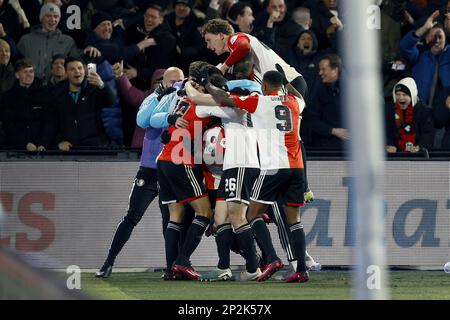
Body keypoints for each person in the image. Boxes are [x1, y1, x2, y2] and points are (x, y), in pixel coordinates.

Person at [205, 70, 309, 283]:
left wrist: (207, 84)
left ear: (264, 87)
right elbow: (299, 95)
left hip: (273, 167)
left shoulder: (260, 101)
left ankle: (271, 258)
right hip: (297, 167)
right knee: (294, 221)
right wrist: (288, 83)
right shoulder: (296, 102)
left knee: (251, 214)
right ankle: (301, 270)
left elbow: (225, 98)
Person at [201, 18, 314, 203]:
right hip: (284, 84)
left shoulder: (236, 38)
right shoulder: (240, 56)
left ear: (222, 35)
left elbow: (244, 46)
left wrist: (222, 67)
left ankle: (303, 187)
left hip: (290, 83)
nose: (208, 46)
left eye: (209, 40)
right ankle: (286, 180)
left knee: (293, 135)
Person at [95, 67, 186, 279]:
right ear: (163, 82)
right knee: (132, 216)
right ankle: (108, 262)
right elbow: (143, 120)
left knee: (170, 221)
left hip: (171, 169)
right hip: (150, 169)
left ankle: (172, 267)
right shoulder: (152, 99)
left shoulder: (185, 98)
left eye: (181, 81)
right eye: (174, 82)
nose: (178, 85)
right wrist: (165, 105)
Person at [16, 2, 101, 85]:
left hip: (58, 87)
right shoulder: (25, 40)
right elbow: (17, 64)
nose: (52, 20)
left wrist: (89, 50)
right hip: (31, 87)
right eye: (48, 16)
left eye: (56, 16)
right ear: (41, 18)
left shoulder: (68, 41)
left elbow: (77, 61)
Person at [400, 10, 450, 148]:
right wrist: (423, 29)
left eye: (440, 36)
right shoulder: (420, 55)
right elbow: (404, 47)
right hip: (421, 115)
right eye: (433, 37)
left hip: (444, 115)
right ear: (427, 39)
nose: (437, 40)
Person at [42, 56, 115, 150]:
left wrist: (102, 85)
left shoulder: (94, 88)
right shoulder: (56, 93)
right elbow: (51, 123)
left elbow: (111, 101)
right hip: (70, 148)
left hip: (96, 146)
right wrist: (59, 141)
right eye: (72, 69)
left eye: (79, 68)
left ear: (84, 71)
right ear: (66, 73)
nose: (77, 71)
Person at [0, 58, 47, 151]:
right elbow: (8, 125)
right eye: (25, 72)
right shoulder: (7, 97)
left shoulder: (45, 94)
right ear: (17, 75)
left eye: (31, 71)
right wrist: (24, 143)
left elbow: (49, 121)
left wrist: (43, 142)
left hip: (42, 148)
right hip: (15, 149)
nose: (29, 75)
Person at [303, 53, 349, 148]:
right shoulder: (319, 91)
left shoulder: (353, 91)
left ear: (335, 70)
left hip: (350, 147)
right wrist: (333, 131)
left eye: (323, 69)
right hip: (325, 147)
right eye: (320, 70)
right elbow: (311, 119)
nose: (320, 73)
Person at [385, 77, 434, 153]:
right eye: (398, 94)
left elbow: (428, 134)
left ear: (412, 95)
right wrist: (389, 145)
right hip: (395, 154)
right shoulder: (389, 109)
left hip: (418, 155)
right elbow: (385, 131)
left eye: (404, 95)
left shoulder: (424, 110)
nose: (400, 98)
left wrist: (419, 147)